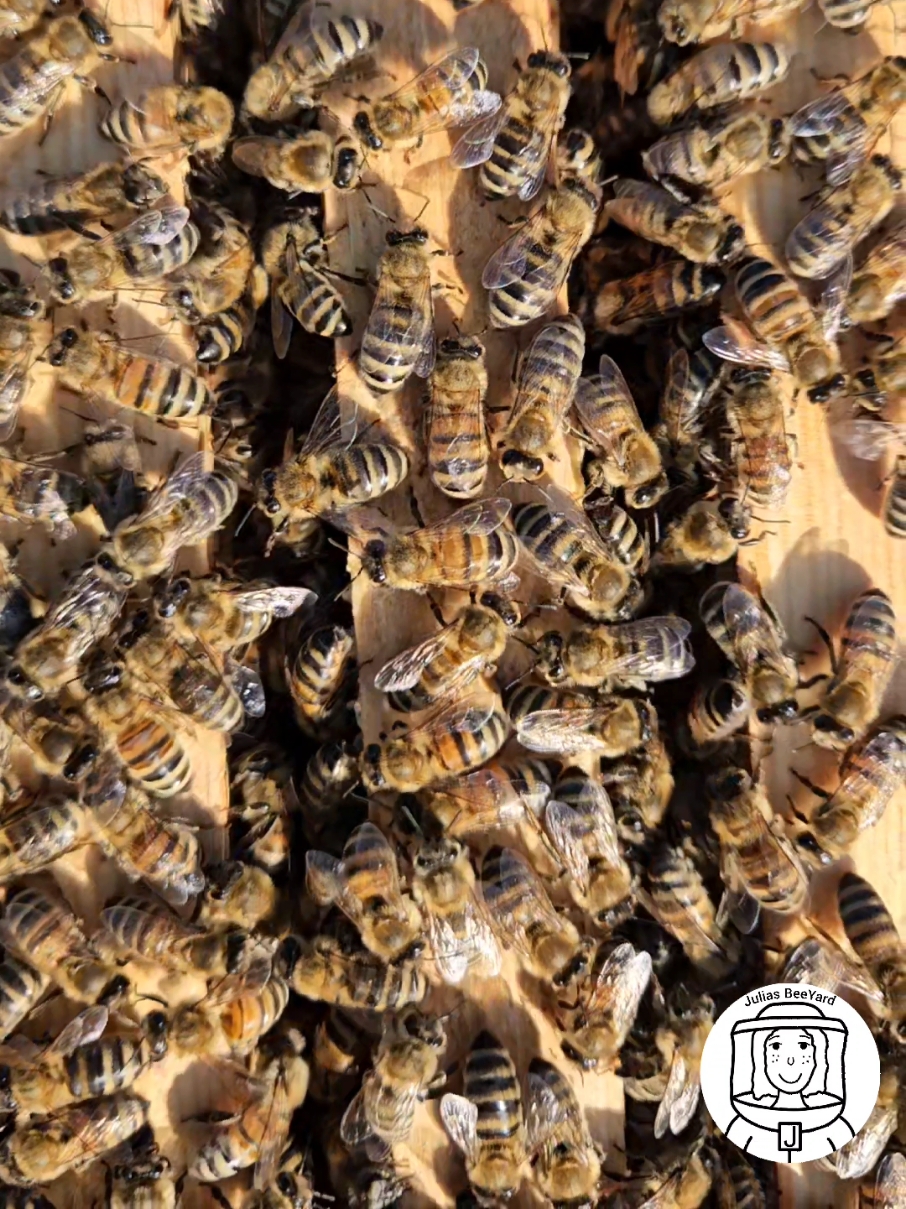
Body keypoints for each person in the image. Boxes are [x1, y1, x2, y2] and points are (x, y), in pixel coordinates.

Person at [723, 1000, 855, 1162]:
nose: (790, 1060)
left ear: (816, 1059)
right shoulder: (750, 1107)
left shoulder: (827, 1106)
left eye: (803, 1046)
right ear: (763, 1059)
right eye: (776, 1046)